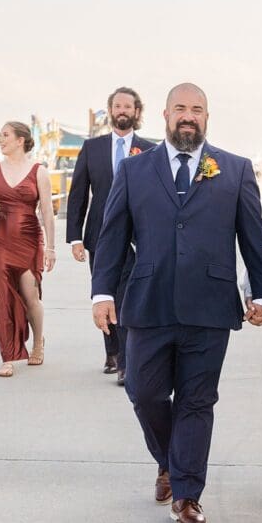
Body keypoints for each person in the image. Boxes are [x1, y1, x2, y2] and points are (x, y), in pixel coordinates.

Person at [91, 83, 262, 523]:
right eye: (180, 109)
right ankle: (169, 461)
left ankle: (187, 494)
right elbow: (112, 235)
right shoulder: (134, 170)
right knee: (144, 391)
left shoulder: (234, 169)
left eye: (197, 109)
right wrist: (102, 293)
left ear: (207, 117)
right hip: (147, 302)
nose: (188, 116)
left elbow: (252, 236)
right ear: (165, 116)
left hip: (210, 306)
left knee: (197, 400)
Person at [67, 87, 156, 384]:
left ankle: (125, 362)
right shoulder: (92, 148)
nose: (122, 111)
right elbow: (78, 194)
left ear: (136, 112)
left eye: (127, 106)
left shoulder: (149, 149)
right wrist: (75, 238)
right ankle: (112, 351)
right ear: (110, 111)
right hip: (99, 236)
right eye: (117, 106)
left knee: (128, 295)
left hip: (137, 238)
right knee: (104, 293)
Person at [0, 122, 56, 377]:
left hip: (29, 241)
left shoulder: (38, 171)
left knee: (30, 297)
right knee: (2, 298)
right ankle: (7, 355)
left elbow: (47, 213)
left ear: (21, 140)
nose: (0, 140)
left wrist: (50, 248)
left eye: (5, 135)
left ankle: (38, 341)